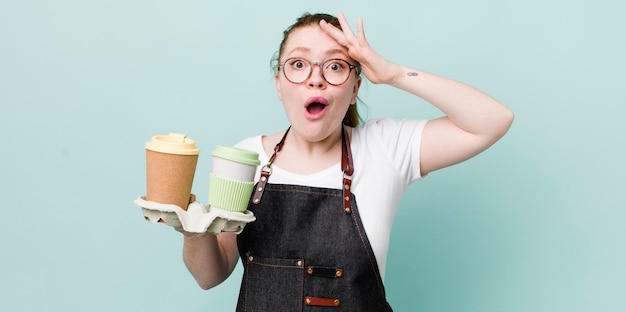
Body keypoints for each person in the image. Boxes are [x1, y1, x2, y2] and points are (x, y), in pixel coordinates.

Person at [178, 12, 514, 311]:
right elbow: (211, 275)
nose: (315, 78)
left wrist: (393, 74)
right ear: (279, 84)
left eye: (335, 66)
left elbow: (493, 120)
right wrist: (194, 233)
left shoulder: (384, 148)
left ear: (354, 88)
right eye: (298, 64)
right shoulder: (245, 158)